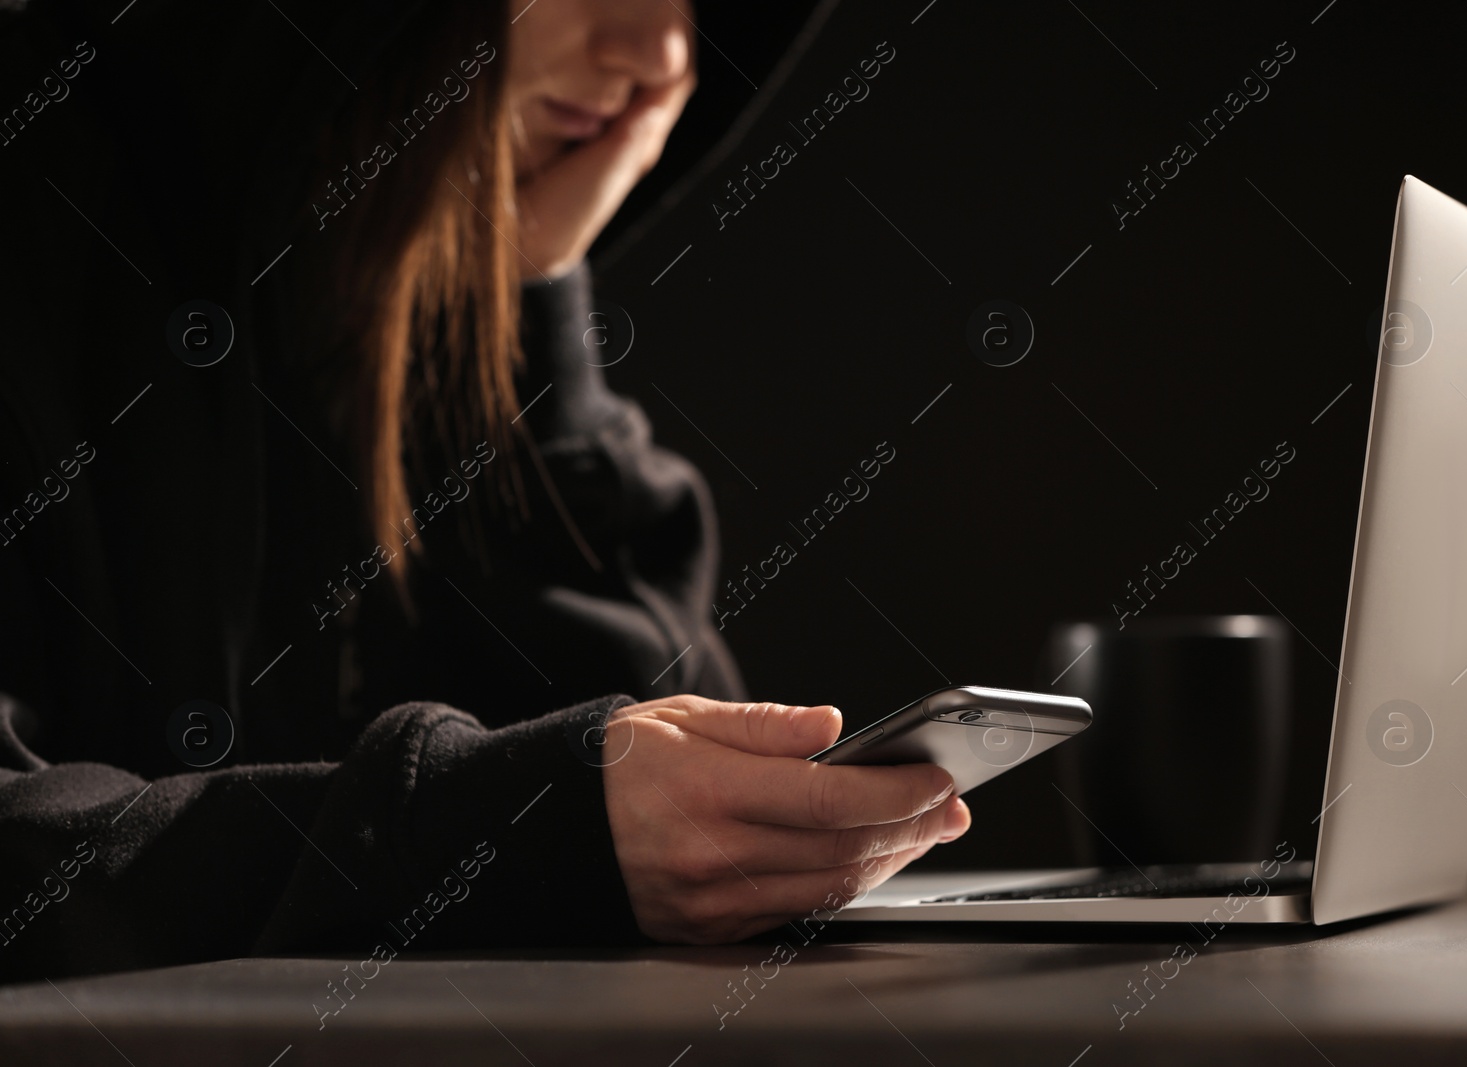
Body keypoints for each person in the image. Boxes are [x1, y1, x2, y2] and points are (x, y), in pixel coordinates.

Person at [0, 0, 968, 981]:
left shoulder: (334, 271)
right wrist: (500, 828)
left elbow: (662, 796)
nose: (662, 52)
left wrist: (515, 303)